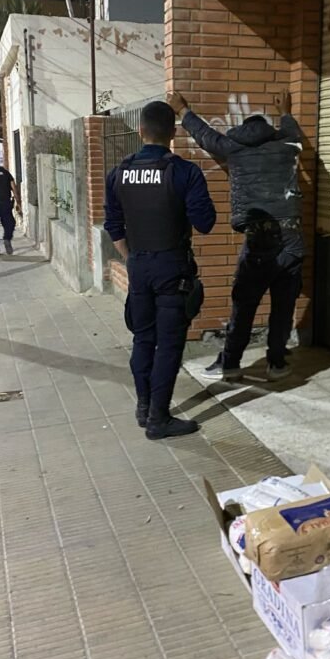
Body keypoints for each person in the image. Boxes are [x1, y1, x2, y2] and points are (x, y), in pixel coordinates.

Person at [170, 88, 303, 382]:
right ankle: (277, 363)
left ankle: (230, 364)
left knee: (243, 306)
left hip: (259, 239)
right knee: (283, 308)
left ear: (242, 130)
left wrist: (183, 111)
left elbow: (205, 137)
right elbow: (295, 135)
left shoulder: (234, 146)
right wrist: (285, 111)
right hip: (292, 238)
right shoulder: (286, 144)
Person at [105, 99, 216, 440]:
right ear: (173, 134)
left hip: (138, 265)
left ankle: (143, 408)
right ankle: (158, 419)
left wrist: (130, 258)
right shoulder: (184, 172)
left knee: (143, 338)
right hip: (172, 268)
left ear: (140, 132)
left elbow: (114, 225)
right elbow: (206, 223)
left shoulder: (119, 172)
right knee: (168, 344)